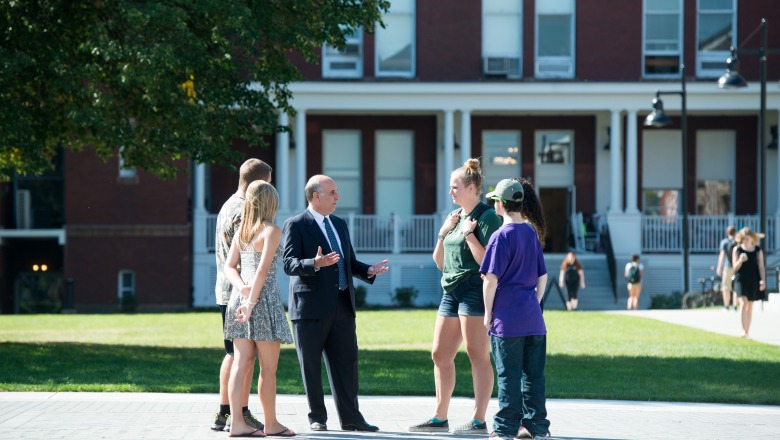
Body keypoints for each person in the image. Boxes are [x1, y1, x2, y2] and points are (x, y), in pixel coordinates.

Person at [282, 175, 389, 433]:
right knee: (311, 365)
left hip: (342, 304)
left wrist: (368, 270)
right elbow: (288, 264)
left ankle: (352, 418)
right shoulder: (296, 225)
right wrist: (314, 264)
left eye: (336, 192)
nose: (337, 197)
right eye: (332, 192)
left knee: (347, 364)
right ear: (315, 196)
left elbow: (346, 262)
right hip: (310, 309)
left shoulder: (339, 224)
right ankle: (317, 418)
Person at [409, 158, 501, 435]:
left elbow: (489, 261)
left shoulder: (487, 217)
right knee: (439, 354)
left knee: (477, 354)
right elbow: (439, 262)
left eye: (455, 187)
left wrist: (470, 236)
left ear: (472, 188)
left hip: (474, 288)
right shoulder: (455, 216)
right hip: (450, 291)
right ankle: (440, 417)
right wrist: (443, 233)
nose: (450, 192)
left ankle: (479, 420)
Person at [480, 178, 551, 440]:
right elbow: (542, 276)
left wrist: (488, 313)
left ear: (500, 203)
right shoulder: (531, 233)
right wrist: (535, 302)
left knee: (508, 377)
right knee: (533, 377)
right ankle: (537, 427)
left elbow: (490, 280)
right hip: (533, 320)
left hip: (507, 321)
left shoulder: (501, 236)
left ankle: (504, 429)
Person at [224, 181, 295, 437]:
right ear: (270, 203)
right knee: (268, 368)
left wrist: (242, 290)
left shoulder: (242, 232)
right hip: (261, 302)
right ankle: (271, 424)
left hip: (238, 299)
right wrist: (251, 302)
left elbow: (229, 268)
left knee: (241, 363)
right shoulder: (272, 231)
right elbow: (263, 271)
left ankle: (236, 424)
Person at [212, 158, 272, 432]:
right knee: (242, 358)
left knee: (233, 355)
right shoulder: (244, 211)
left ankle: (225, 413)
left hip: (227, 290)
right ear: (263, 182)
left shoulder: (227, 204)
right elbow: (249, 258)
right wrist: (249, 296)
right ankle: (239, 414)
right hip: (243, 292)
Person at [731, 227, 766, 339]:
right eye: (743, 239)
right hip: (740, 279)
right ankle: (743, 331)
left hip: (753, 279)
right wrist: (740, 260)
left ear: (752, 238)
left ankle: (747, 331)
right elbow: (734, 268)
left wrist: (762, 280)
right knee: (744, 303)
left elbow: (761, 267)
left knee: (750, 306)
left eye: (747, 238)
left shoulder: (757, 250)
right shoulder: (737, 250)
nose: (745, 241)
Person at [716, 225, 738, 311]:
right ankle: (735, 306)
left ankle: (726, 305)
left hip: (728, 266)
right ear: (735, 232)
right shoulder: (737, 241)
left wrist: (719, 267)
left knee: (726, 287)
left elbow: (722, 255)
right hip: (737, 267)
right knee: (736, 287)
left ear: (727, 232)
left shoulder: (724, 242)